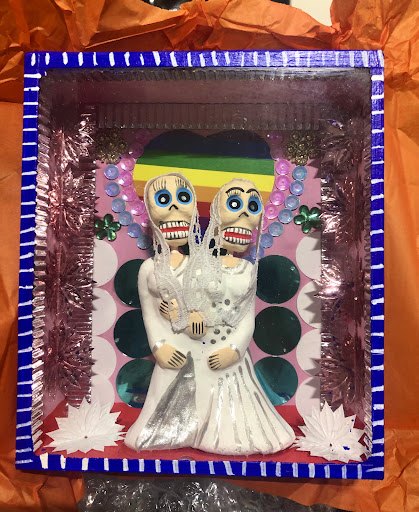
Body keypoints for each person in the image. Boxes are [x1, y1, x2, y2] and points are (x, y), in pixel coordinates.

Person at [125, 176, 295, 455]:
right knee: (177, 403)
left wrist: (234, 350)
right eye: (163, 200)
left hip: (223, 356)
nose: (174, 208)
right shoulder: (154, 269)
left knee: (229, 410)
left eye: (252, 206)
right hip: (182, 353)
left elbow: (245, 317)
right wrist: (159, 345)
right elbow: (152, 316)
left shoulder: (237, 270)